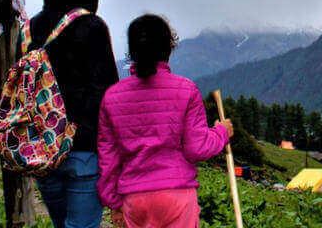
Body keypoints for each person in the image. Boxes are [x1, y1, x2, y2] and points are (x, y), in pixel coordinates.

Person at [97, 14, 233, 228]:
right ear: (169, 48)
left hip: (134, 197)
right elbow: (196, 148)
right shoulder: (186, 90)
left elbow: (108, 157)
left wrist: (113, 202)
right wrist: (221, 133)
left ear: (132, 51)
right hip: (177, 195)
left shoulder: (112, 97)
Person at [24, 0, 119, 228]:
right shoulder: (92, 25)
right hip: (83, 149)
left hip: (41, 148)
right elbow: (108, 94)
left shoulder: (30, 29)